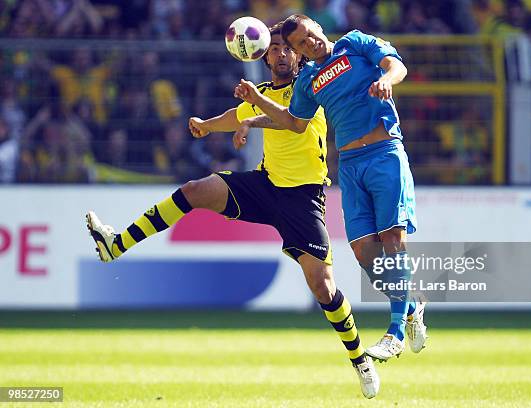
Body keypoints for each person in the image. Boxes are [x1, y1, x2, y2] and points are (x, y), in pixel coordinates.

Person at [86, 22, 380, 399]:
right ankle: (117, 244)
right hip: (266, 184)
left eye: (286, 48)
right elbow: (238, 114)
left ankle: (359, 359)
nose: (280, 53)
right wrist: (207, 126)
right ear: (264, 55)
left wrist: (253, 109)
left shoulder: (313, 83)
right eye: (273, 48)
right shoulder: (263, 92)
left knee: (322, 286)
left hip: (304, 198)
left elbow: (291, 121)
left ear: (298, 52)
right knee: (195, 190)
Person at [233, 14, 427, 364]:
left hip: (385, 153)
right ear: (296, 52)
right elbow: (293, 122)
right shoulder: (308, 80)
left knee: (393, 239)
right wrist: (252, 112)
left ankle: (396, 330)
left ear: (319, 28)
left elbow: (396, 66)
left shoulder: (354, 43)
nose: (311, 43)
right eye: (301, 44)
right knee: (365, 255)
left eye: (311, 34)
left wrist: (385, 80)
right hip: (351, 166)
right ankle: (411, 305)